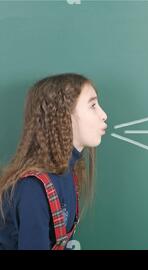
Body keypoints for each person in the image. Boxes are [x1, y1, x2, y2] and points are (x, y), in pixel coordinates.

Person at [0, 73, 107, 250]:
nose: (103, 115)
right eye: (93, 106)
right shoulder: (32, 188)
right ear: (63, 115)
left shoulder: (68, 173)